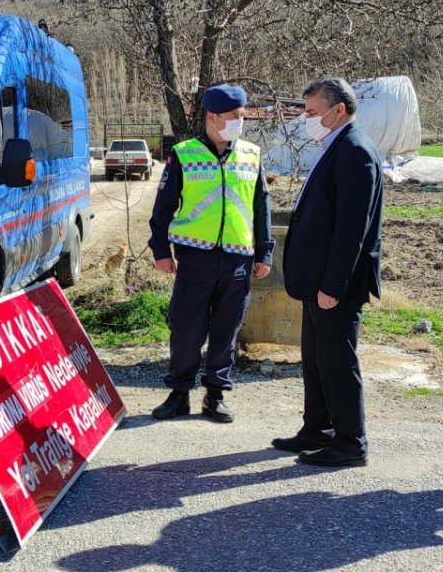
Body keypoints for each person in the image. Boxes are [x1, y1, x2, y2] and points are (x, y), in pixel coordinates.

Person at [271, 78, 383, 468]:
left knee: (337, 362)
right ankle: (318, 427)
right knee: (316, 358)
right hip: (317, 281)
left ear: (339, 110)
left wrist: (334, 285)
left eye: (313, 112)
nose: (307, 119)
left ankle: (351, 442)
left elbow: (352, 228)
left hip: (336, 284)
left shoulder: (355, 152)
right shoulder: (333, 146)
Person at [147, 83, 274, 423]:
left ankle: (215, 396)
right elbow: (163, 208)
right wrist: (160, 250)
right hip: (195, 258)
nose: (240, 122)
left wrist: (265, 252)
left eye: (242, 116)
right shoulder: (184, 154)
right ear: (213, 117)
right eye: (234, 116)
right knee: (187, 329)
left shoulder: (251, 155)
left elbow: (260, 207)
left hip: (237, 259)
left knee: (226, 331)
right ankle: (179, 395)